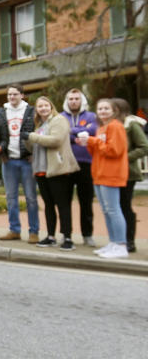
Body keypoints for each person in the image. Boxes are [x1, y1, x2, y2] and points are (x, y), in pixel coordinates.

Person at [79, 98, 129, 258]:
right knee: (107, 211)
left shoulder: (116, 126)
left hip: (111, 174)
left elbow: (115, 151)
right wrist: (87, 143)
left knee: (113, 209)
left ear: (114, 110)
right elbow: (97, 152)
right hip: (99, 174)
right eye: (100, 109)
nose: (103, 111)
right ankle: (113, 242)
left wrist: (92, 141)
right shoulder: (102, 128)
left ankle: (121, 245)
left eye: (106, 108)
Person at [27, 96, 79, 249]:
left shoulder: (59, 120)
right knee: (48, 205)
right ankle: (50, 236)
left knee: (62, 205)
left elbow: (56, 140)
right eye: (39, 106)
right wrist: (26, 139)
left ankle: (68, 238)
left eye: (45, 105)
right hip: (41, 170)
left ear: (51, 106)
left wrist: (32, 136)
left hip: (57, 169)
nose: (43, 108)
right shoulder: (39, 125)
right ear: (36, 109)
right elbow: (33, 147)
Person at [0, 84, 39, 242]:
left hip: (27, 161)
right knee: (11, 198)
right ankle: (14, 230)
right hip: (9, 161)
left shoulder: (30, 111)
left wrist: (34, 153)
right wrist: (1, 152)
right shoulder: (2, 112)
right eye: (9, 95)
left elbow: (38, 132)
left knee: (31, 198)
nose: (12, 97)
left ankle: (34, 231)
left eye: (15, 94)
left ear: (22, 95)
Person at [61, 89, 98, 246]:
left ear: (82, 100)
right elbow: (61, 134)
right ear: (67, 101)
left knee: (86, 201)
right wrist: (81, 133)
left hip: (86, 164)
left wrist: (72, 131)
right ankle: (66, 234)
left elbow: (93, 130)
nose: (74, 101)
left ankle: (87, 234)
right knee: (65, 201)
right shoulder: (61, 117)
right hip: (66, 164)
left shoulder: (91, 116)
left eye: (77, 98)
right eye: (71, 99)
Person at [115, 98, 148, 253]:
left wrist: (125, 158)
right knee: (115, 207)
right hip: (111, 173)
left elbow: (144, 147)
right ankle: (117, 239)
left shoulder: (131, 124)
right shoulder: (109, 125)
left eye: (112, 108)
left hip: (128, 173)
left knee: (124, 206)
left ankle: (130, 240)